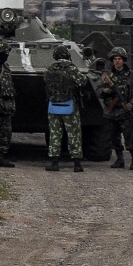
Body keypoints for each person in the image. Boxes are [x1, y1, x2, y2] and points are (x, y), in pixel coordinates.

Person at [43, 44, 86, 172]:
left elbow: (45, 80)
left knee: (55, 134)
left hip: (53, 105)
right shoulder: (72, 68)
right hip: (69, 105)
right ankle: (77, 164)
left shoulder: (50, 68)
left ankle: (54, 163)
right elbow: (82, 81)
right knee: (74, 134)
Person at [99, 47, 133, 169]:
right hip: (111, 111)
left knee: (129, 137)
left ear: (124, 60)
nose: (117, 61)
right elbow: (98, 90)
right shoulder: (107, 75)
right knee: (113, 137)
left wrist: (131, 104)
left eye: (119, 59)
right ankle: (119, 159)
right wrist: (104, 90)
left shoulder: (132, 75)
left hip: (124, 111)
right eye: (115, 59)